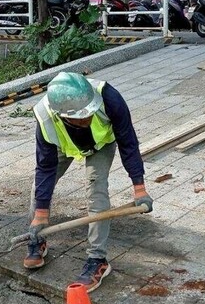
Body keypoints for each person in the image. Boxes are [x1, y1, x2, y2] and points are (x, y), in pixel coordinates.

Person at [25, 72, 153, 291]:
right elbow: (45, 167)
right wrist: (41, 213)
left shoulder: (109, 98)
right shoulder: (45, 117)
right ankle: (37, 238)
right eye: (82, 117)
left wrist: (139, 188)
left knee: (96, 189)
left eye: (90, 111)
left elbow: (128, 142)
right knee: (38, 191)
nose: (89, 117)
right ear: (63, 116)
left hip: (101, 144)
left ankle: (97, 259)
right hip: (63, 146)